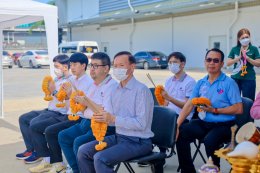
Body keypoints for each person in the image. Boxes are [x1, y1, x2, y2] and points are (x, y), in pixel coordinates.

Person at [77, 51, 154, 173]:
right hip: (120, 137)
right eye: (115, 66)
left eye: (121, 65)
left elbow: (141, 124)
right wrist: (104, 117)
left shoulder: (141, 90)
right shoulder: (116, 90)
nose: (117, 69)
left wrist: (113, 119)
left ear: (132, 67)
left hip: (138, 141)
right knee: (83, 151)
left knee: (100, 158)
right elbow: (110, 118)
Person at [176, 48, 243, 173]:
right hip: (205, 123)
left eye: (216, 60)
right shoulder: (201, 83)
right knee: (181, 132)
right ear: (205, 62)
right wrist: (177, 125)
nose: (211, 63)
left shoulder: (229, 83)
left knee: (209, 141)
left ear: (222, 64)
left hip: (225, 125)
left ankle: (214, 170)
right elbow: (189, 104)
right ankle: (187, 170)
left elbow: (239, 108)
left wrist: (215, 110)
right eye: (209, 60)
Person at [28, 52, 93, 173]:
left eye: (75, 64)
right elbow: (67, 103)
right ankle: (55, 162)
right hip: (68, 114)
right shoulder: (71, 80)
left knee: (52, 131)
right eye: (71, 64)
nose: (72, 67)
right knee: (41, 127)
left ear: (83, 65)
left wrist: (67, 95)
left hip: (79, 117)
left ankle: (61, 164)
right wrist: (67, 96)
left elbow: (83, 107)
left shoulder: (88, 82)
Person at [58, 52, 117, 173]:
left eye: (96, 66)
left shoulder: (112, 86)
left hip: (102, 127)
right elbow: (84, 110)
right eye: (91, 66)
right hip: (86, 121)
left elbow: (104, 114)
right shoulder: (94, 84)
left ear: (106, 68)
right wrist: (78, 100)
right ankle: (77, 170)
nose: (92, 70)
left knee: (78, 143)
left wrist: (87, 102)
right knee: (63, 136)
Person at [145, 52, 196, 172]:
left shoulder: (190, 82)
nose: (172, 65)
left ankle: (186, 168)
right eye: (170, 63)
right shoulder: (169, 81)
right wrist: (163, 101)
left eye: (175, 62)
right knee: (150, 129)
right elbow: (166, 104)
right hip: (168, 117)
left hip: (183, 118)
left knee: (178, 134)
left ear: (182, 64)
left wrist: (170, 98)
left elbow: (187, 106)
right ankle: (158, 160)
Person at [16, 54, 71, 163]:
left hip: (59, 113)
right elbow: (51, 94)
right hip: (49, 110)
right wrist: (47, 90)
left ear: (65, 67)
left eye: (57, 66)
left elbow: (66, 99)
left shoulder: (70, 80)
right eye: (54, 66)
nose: (55, 69)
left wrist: (53, 90)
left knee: (34, 123)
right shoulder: (57, 78)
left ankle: (42, 154)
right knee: (24, 118)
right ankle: (31, 150)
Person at [227, 28, 260, 101]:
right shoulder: (234, 49)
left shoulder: (254, 49)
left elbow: (258, 64)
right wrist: (238, 58)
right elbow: (228, 63)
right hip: (235, 78)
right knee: (234, 100)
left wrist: (247, 58)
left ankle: (248, 113)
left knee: (249, 101)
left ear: (249, 37)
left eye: (247, 37)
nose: (245, 39)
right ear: (239, 39)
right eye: (243, 38)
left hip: (249, 78)